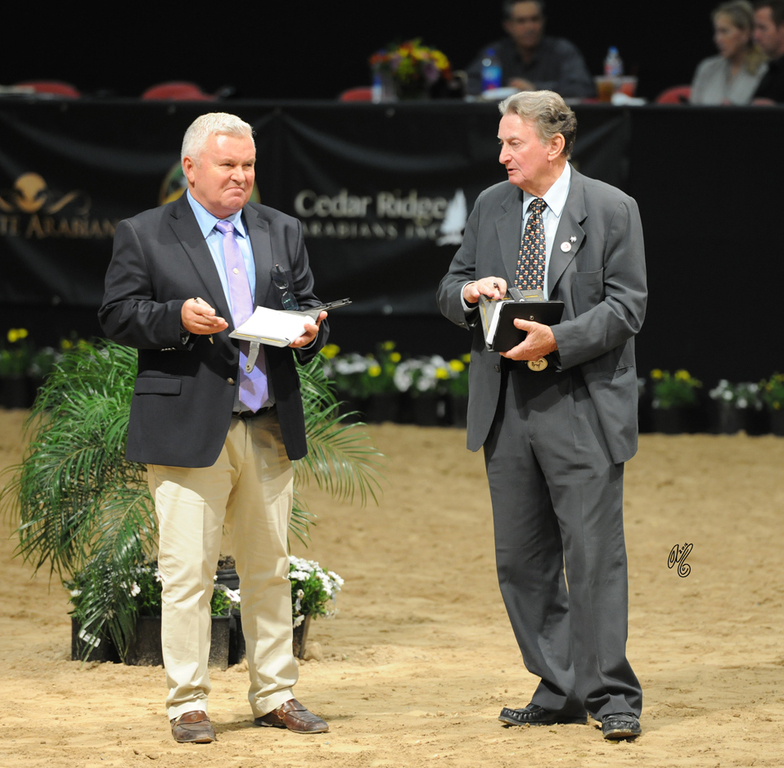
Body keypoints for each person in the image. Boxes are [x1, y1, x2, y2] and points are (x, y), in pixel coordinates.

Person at [99, 112, 330, 744]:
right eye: (228, 166)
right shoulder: (145, 233)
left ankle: (276, 694)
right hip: (185, 425)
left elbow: (309, 302)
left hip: (266, 424)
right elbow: (117, 314)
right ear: (191, 168)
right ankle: (187, 704)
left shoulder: (282, 228)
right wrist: (175, 317)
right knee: (187, 574)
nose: (241, 177)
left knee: (269, 569)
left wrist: (310, 329)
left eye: (249, 166)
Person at [437, 91, 646, 741]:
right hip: (507, 406)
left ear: (553, 146)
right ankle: (559, 682)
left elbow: (627, 307)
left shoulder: (612, 208)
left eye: (513, 143)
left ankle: (611, 693)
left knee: (592, 558)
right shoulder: (492, 206)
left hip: (580, 403)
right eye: (501, 143)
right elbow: (449, 288)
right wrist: (469, 293)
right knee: (522, 562)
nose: (501, 155)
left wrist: (560, 340)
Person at [465, 1, 594, 98]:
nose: (530, 27)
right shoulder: (494, 53)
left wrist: (535, 89)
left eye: (535, 19)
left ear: (543, 22)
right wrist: (503, 91)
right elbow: (468, 84)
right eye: (521, 21)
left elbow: (583, 87)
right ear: (508, 26)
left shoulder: (562, 50)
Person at [690, 1, 767, 104]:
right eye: (716, 31)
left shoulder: (765, 71)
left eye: (724, 31)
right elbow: (693, 113)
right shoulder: (707, 68)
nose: (717, 39)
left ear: (745, 34)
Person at [752, 0, 784, 101]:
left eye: (762, 28)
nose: (756, 36)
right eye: (755, 28)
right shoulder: (771, 70)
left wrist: (776, 111)